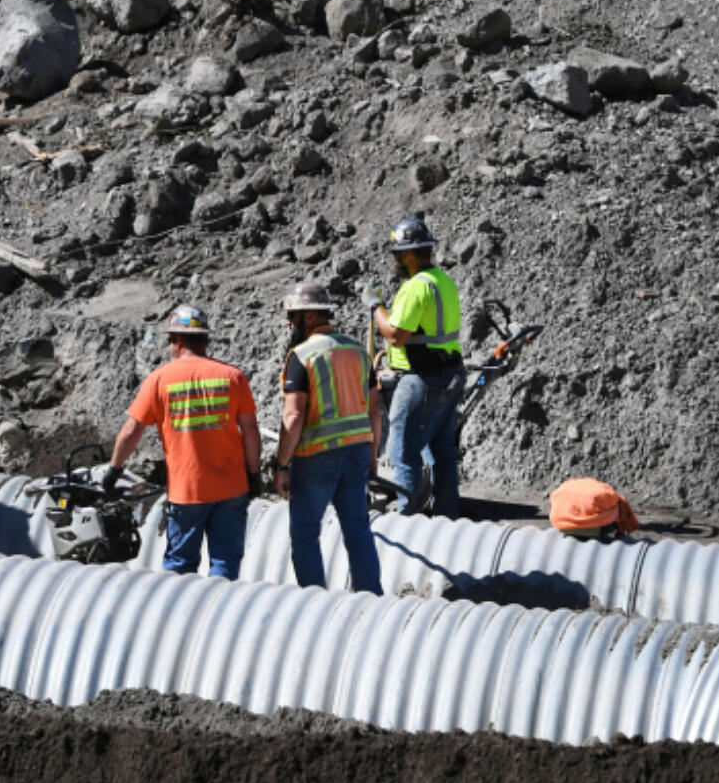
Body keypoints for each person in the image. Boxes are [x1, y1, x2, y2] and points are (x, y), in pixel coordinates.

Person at [104, 304, 260, 581]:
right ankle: (219, 616)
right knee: (225, 562)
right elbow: (250, 431)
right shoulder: (233, 377)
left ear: (178, 340)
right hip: (231, 487)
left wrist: (115, 468)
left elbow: (132, 430)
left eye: (170, 340)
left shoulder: (160, 379)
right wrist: (254, 473)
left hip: (188, 490)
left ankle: (180, 619)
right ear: (204, 340)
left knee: (180, 567)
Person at [274, 280, 382, 593]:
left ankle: (315, 606)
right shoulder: (358, 351)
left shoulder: (301, 355)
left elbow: (293, 417)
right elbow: (375, 409)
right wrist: (373, 454)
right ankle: (371, 597)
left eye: (292, 316)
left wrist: (281, 465)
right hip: (358, 453)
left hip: (316, 459)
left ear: (309, 317)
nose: (288, 323)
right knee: (358, 530)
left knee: (306, 534)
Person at [373, 217, 465, 518]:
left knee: (402, 453)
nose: (395, 260)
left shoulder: (415, 288)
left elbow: (397, 335)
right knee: (442, 455)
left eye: (397, 254)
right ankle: (447, 521)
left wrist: (375, 307)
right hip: (449, 374)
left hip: (422, 380)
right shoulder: (443, 280)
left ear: (410, 253)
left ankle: (409, 523)